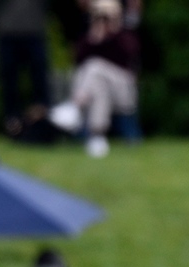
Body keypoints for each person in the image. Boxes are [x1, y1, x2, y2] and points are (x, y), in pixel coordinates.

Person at [48, 0, 141, 158]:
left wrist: (113, 34)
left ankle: (74, 108)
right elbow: (77, 60)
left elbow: (129, 55)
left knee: (94, 67)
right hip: (96, 92)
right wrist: (93, 38)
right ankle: (97, 137)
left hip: (122, 92)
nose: (103, 21)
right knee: (97, 84)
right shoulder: (90, 37)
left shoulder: (124, 35)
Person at [0, 0, 52, 141]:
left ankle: (41, 126)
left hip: (35, 32)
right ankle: (12, 125)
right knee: (9, 83)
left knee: (40, 83)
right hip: (7, 32)